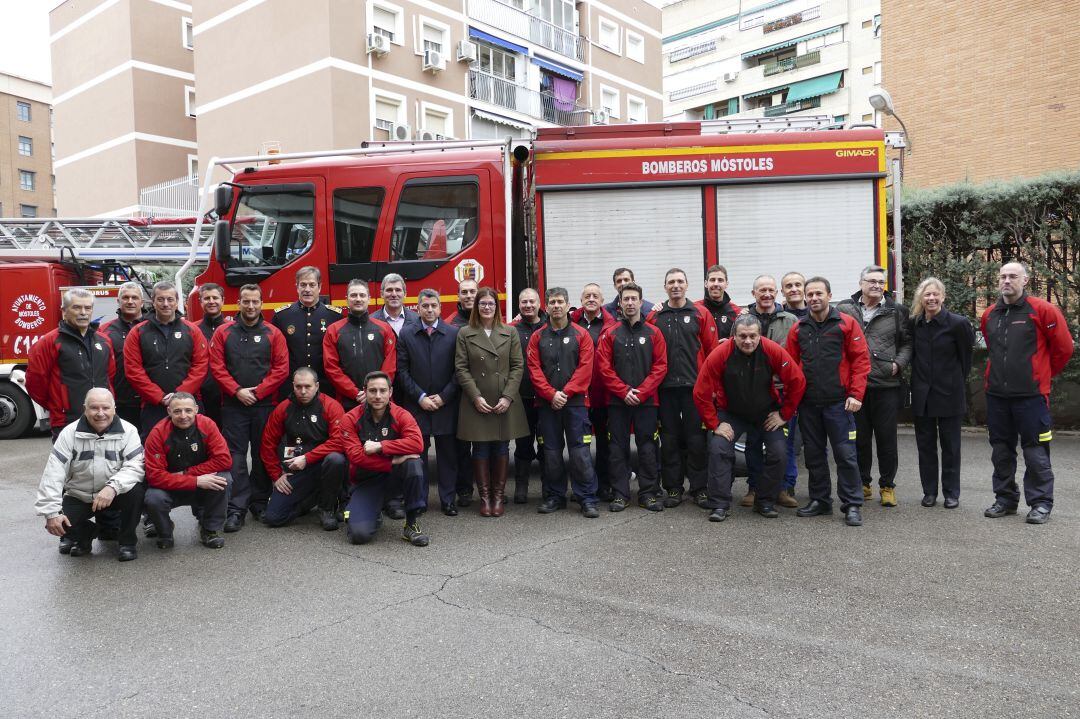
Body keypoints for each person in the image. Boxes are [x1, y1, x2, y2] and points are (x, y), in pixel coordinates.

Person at [981, 262, 1074, 524]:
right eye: (1002, 277)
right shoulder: (990, 314)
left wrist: (1041, 375)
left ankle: (1041, 503)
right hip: (997, 396)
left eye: (1012, 276)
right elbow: (993, 349)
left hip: (1031, 397)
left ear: (1025, 281)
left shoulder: (1043, 310)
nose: (1006, 281)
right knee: (1001, 451)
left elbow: (1063, 349)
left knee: (1035, 451)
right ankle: (1005, 500)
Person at [694, 315, 806, 522]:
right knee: (719, 448)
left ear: (760, 336)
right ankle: (719, 504)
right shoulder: (720, 354)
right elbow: (700, 391)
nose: (748, 341)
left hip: (765, 413)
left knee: (779, 453)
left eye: (753, 336)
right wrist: (715, 423)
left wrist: (784, 415)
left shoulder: (772, 350)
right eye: (742, 336)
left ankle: (764, 501)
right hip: (731, 414)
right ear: (733, 336)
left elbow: (797, 381)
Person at [786, 276, 871, 527]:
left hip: (839, 403)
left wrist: (856, 395)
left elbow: (861, 362)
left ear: (829, 295)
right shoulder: (798, 329)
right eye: (809, 294)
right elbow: (790, 366)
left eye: (818, 294)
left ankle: (852, 504)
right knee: (814, 455)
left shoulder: (846, 324)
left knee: (845, 455)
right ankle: (820, 500)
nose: (813, 298)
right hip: (809, 404)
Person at [209, 284, 290, 531]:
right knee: (235, 457)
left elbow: (281, 368)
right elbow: (217, 367)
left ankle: (259, 501)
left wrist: (258, 391)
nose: (251, 306)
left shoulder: (273, 333)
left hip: (265, 405)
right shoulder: (224, 332)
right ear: (239, 302)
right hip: (234, 405)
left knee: (263, 453)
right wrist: (237, 391)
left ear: (261, 303)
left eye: (255, 301)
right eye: (246, 301)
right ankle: (237, 508)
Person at [35, 388, 145, 561]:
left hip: (115, 494)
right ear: (85, 408)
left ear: (114, 408)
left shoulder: (129, 431)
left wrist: (112, 487)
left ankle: (127, 542)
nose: (100, 413)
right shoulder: (69, 434)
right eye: (94, 408)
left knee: (136, 492)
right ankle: (85, 535)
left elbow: (136, 466)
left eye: (106, 408)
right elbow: (53, 473)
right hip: (80, 495)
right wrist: (51, 512)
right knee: (56, 525)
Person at [837, 265, 912, 507]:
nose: (877, 286)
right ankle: (863, 483)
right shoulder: (844, 309)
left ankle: (887, 486)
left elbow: (907, 344)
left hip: (886, 385)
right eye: (872, 281)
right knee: (859, 439)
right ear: (861, 283)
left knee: (887, 439)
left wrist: (898, 365)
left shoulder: (897, 311)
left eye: (881, 282)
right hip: (856, 387)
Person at [646, 268, 719, 508]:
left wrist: (713, 387)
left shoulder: (701, 313)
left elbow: (712, 354)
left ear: (687, 285)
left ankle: (699, 488)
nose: (675, 285)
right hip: (665, 390)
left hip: (695, 390)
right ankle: (673, 488)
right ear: (665, 286)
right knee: (669, 440)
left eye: (680, 281)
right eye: (671, 282)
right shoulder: (654, 317)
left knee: (697, 440)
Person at [455, 287, 529, 517]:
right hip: (477, 400)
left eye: (491, 304)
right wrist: (475, 396)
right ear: (476, 307)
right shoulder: (465, 333)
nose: (487, 307)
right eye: (483, 303)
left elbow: (518, 366)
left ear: (497, 307)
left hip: (504, 400)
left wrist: (508, 397)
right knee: (480, 449)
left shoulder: (509, 332)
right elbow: (461, 368)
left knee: (501, 447)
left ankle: (498, 496)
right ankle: (485, 498)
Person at [528, 287, 600, 518]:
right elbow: (534, 369)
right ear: (546, 307)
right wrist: (550, 394)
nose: (556, 306)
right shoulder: (538, 336)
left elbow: (585, 368)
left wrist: (565, 393)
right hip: (547, 405)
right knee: (551, 452)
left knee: (580, 452)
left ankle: (587, 498)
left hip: (576, 404)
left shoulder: (582, 335)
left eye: (560, 301)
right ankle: (554, 496)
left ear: (568, 305)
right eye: (552, 302)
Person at [596, 282, 668, 512]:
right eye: (625, 299)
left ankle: (648, 494)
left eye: (633, 299)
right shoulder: (610, 333)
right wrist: (623, 391)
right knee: (617, 448)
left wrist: (642, 391)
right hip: (617, 402)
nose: (629, 303)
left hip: (647, 402)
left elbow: (661, 366)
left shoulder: (654, 333)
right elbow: (604, 367)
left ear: (640, 301)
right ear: (620, 302)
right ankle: (620, 494)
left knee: (647, 447)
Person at [338, 372, 429, 546]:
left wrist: (381, 446)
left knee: (414, 463)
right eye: (372, 391)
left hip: (394, 481)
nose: (378, 396)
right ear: (365, 391)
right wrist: (393, 460)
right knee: (359, 536)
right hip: (366, 481)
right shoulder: (349, 418)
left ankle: (411, 524)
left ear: (391, 392)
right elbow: (356, 456)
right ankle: (373, 510)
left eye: (382, 390)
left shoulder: (402, 414)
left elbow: (417, 444)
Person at [908, 278, 975, 509]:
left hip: (949, 394)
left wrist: (951, 381)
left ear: (943, 297)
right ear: (921, 298)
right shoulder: (915, 324)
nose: (931, 299)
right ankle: (929, 492)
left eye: (935, 294)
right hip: (922, 396)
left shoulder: (958, 324)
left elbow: (966, 360)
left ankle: (951, 493)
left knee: (951, 446)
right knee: (925, 446)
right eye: (927, 295)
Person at [395, 288, 461, 515]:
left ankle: (448, 500)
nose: (430, 310)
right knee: (418, 456)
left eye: (434, 306)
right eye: (425, 306)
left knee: (447, 456)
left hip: (446, 404)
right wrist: (420, 397)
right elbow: (402, 372)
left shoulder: (453, 334)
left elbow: (458, 372)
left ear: (440, 308)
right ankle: (418, 500)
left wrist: (444, 397)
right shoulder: (406, 334)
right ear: (418, 308)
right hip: (417, 405)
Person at [260, 368, 348, 530]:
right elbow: (268, 443)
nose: (303, 391)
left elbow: (340, 441)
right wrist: (277, 475)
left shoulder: (331, 406)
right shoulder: (283, 408)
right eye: (298, 386)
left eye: (307, 386)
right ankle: (309, 502)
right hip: (297, 469)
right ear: (293, 386)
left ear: (317, 386)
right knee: (273, 518)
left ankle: (326, 508)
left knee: (336, 459)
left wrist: (308, 458)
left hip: (324, 466)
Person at [142, 393, 232, 549]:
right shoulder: (157, 433)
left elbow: (224, 460)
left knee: (224, 479)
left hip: (198, 482)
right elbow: (154, 476)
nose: (183, 416)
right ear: (169, 411)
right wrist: (195, 480)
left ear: (196, 410)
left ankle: (210, 530)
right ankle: (165, 531)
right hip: (170, 487)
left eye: (188, 410)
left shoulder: (208, 425)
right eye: (177, 411)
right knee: (153, 497)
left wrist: (187, 474)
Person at [741, 275, 800, 508]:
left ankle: (784, 488)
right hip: (752, 393)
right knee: (753, 442)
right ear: (753, 293)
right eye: (761, 290)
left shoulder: (791, 320)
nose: (766, 294)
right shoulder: (743, 320)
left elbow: (796, 357)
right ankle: (754, 488)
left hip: (782, 391)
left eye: (771, 290)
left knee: (786, 443)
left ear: (777, 293)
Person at [26, 287, 115, 440]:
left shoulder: (104, 341)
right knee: (71, 464)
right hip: (66, 422)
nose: (83, 312)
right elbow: (35, 383)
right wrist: (58, 406)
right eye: (77, 307)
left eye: (88, 308)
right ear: (64, 311)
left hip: (102, 420)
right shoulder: (48, 343)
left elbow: (109, 376)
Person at [123, 280, 209, 437]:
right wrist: (159, 397)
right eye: (160, 299)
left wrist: (180, 395)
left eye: (170, 299)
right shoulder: (138, 332)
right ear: (153, 302)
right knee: (155, 451)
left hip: (188, 404)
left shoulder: (192, 331)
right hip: (153, 405)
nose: (165, 304)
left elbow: (200, 366)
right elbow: (133, 370)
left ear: (177, 302)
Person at [570, 283, 617, 501]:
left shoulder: (611, 324)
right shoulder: (571, 323)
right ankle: (582, 487)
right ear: (580, 300)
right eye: (587, 295)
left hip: (602, 395)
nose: (591, 299)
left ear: (602, 300)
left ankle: (604, 485)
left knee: (605, 445)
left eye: (595, 296)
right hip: (577, 396)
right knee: (580, 445)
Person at [323, 279, 397, 411]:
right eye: (353, 295)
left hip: (380, 400)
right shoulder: (333, 330)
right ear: (346, 299)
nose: (358, 299)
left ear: (369, 298)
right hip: (347, 401)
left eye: (362, 295)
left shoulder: (384, 329)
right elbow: (331, 368)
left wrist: (376, 391)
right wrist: (355, 392)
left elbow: (390, 365)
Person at [271, 266, 342, 392]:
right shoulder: (282, 316)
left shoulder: (334, 316)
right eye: (303, 285)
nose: (307, 289)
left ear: (319, 287)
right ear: (297, 287)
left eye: (312, 285)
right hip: (292, 386)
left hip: (324, 386)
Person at [511, 288, 548, 503]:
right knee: (523, 445)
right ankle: (521, 486)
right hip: (521, 397)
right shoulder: (511, 330)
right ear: (519, 304)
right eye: (524, 302)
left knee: (546, 444)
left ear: (539, 303)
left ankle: (547, 486)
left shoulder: (549, 326)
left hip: (545, 399)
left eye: (532, 301)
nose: (528, 305)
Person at [100, 281, 146, 427]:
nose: (130, 301)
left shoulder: (153, 327)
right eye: (125, 298)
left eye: (135, 298)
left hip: (150, 402)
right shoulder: (104, 331)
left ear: (142, 302)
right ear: (118, 301)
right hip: (120, 402)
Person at [196, 283, 227, 427]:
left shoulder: (234, 328)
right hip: (200, 396)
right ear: (200, 301)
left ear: (223, 300)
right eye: (206, 298)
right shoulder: (192, 329)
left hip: (227, 396)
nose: (211, 301)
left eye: (215, 297)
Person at [696, 264, 740, 340]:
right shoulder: (695, 309)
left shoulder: (736, 312)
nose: (716, 284)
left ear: (726, 284)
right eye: (712, 280)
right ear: (706, 284)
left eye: (720, 280)